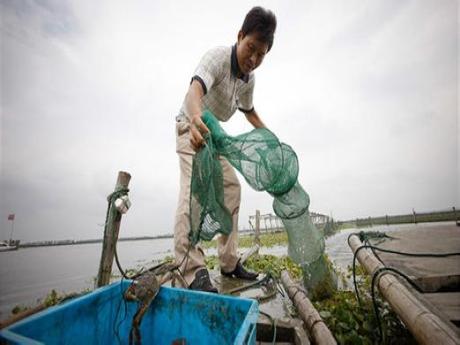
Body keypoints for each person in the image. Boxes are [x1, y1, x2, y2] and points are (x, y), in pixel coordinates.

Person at [174, 6, 277, 293]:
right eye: (251, 48)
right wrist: (195, 120)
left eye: (261, 55)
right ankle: (191, 270)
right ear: (240, 36)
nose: (253, 59)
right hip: (191, 128)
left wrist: (272, 140)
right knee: (192, 192)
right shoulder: (218, 58)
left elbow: (250, 112)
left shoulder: (249, 79)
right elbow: (194, 90)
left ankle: (229, 262)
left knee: (231, 188)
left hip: (214, 138)